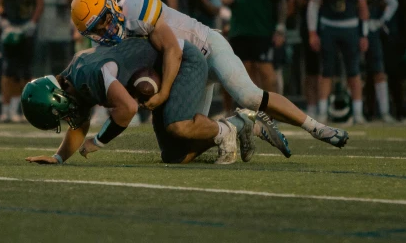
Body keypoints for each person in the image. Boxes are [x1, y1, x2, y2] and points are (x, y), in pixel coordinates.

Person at [70, 0, 349, 154]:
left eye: (105, 19)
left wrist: (163, 91)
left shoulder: (136, 5)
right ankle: (246, 126)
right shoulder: (113, 46)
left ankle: (317, 128)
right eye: (97, 29)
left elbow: (173, 50)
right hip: (185, 73)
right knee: (183, 149)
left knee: (248, 94)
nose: (107, 29)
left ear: (111, 6)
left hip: (205, 49)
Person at [22, 38, 282, 165]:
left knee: (177, 126)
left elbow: (128, 109)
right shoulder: (74, 80)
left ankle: (236, 123)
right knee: (174, 157)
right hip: (155, 71)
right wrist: (58, 158)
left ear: (58, 97)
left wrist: (99, 141)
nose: (65, 118)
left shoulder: (88, 75)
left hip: (181, 62)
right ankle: (239, 126)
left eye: (59, 114)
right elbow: (78, 125)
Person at [307, 0, 370, 124]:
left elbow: (363, 6)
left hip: (350, 26)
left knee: (354, 71)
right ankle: (322, 111)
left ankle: (358, 112)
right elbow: (313, 5)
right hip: (329, 26)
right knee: (326, 71)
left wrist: (364, 33)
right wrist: (313, 32)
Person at [353, 0, 399, 121]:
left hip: (371, 28)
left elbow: (393, 3)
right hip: (351, 28)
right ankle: (354, 111)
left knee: (378, 70)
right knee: (353, 71)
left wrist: (381, 21)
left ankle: (385, 112)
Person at [270, 0, 306, 94]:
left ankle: (296, 94)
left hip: (292, 24)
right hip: (271, 23)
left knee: (294, 63)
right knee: (274, 64)